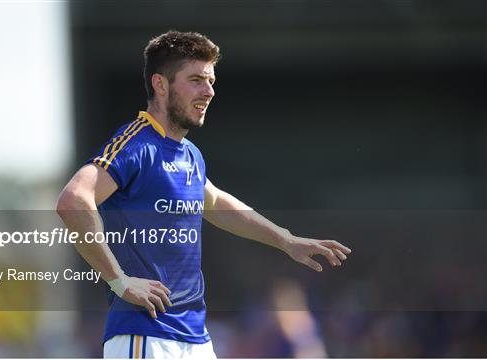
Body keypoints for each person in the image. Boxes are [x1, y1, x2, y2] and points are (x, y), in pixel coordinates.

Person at [56, 30, 352, 359]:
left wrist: (286, 239)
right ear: (160, 84)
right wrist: (119, 280)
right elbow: (73, 200)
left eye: (211, 81)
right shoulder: (135, 144)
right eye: (196, 80)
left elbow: (215, 203)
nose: (209, 91)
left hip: (195, 338)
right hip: (146, 336)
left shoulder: (189, 154)